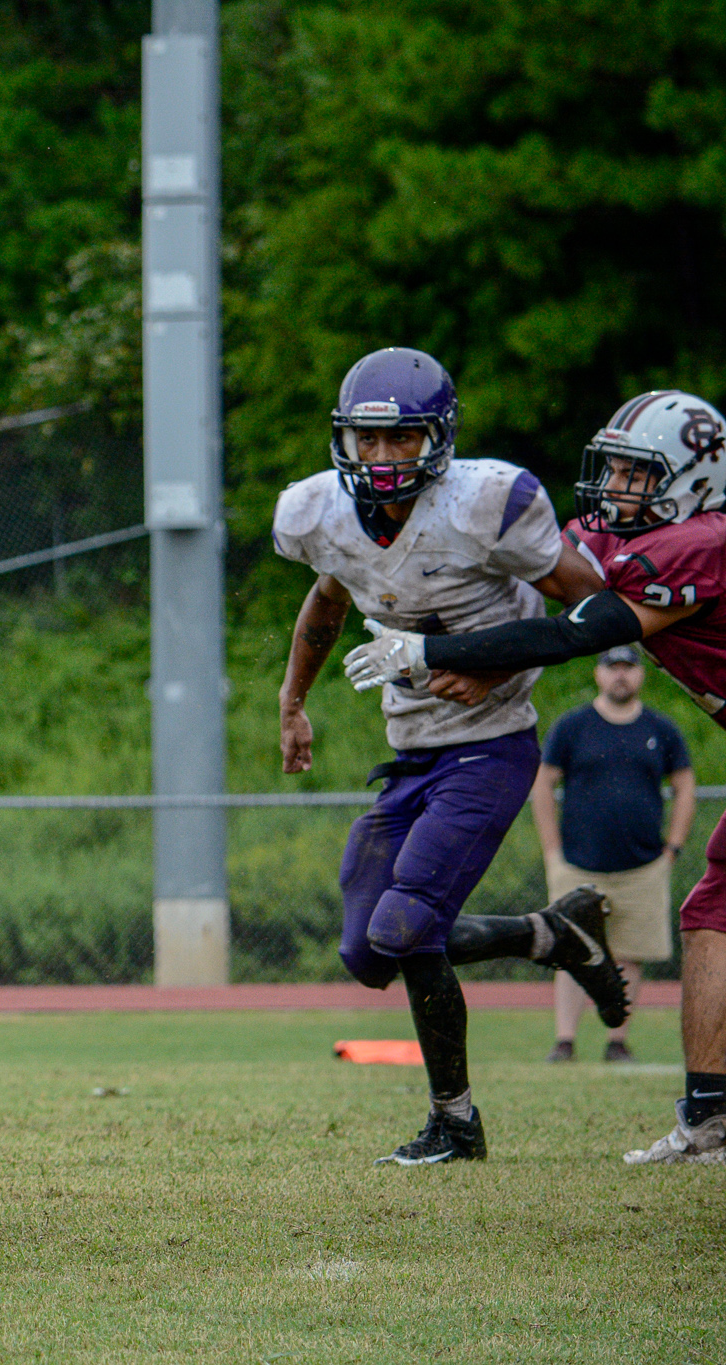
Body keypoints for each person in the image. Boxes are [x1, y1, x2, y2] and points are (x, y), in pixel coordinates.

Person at [346, 387, 726, 1164]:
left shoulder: (704, 540)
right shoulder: (616, 536)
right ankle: (711, 1121)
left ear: (695, 482)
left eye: (637, 475)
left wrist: (431, 654)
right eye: (614, 468)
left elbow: (585, 630)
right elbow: (539, 592)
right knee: (711, 911)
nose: (615, 487)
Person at [276, 347, 628, 1167]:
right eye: (370, 440)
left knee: (406, 925)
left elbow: (599, 608)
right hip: (412, 754)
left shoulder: (485, 504)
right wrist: (292, 700)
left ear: (439, 440)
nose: (384, 457)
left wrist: (498, 661)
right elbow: (329, 594)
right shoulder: (319, 514)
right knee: (368, 951)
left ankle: (456, 1122)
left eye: (404, 440)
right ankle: (549, 935)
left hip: (492, 748)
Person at [532, 646, 695, 1063]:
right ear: (598, 673)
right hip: (577, 863)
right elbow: (543, 785)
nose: (620, 675)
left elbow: (685, 788)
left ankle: (616, 1041)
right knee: (570, 951)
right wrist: (552, 851)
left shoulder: (662, 728)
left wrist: (671, 849)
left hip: (642, 865)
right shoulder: (573, 726)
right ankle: (564, 1041)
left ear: (641, 674)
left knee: (630, 954)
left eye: (628, 667)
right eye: (612, 667)